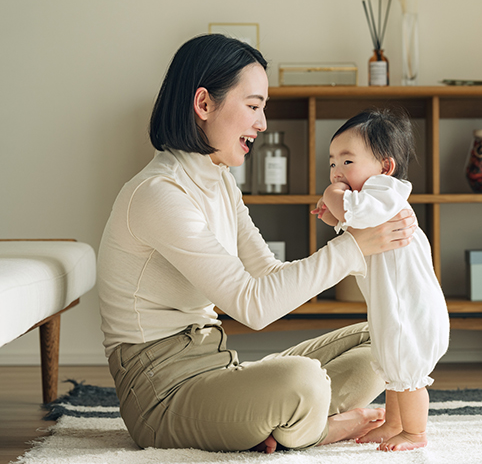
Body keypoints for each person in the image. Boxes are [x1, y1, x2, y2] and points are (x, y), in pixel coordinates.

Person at [96, 34, 418, 454]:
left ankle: (277, 421)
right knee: (301, 381)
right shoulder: (159, 194)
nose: (262, 124)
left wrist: (369, 240)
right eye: (252, 106)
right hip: (162, 396)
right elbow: (254, 306)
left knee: (385, 338)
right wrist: (354, 247)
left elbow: (268, 276)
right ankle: (318, 427)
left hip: (217, 366)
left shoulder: (220, 183)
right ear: (204, 104)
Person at [312, 108, 450, 451]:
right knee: (392, 364)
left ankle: (415, 433)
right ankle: (393, 423)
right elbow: (351, 220)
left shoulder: (386, 192)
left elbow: (352, 210)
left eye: (347, 162)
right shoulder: (371, 200)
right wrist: (333, 213)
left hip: (411, 311)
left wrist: (332, 197)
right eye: (332, 163)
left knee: (407, 370)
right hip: (395, 307)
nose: (336, 172)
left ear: (384, 168)